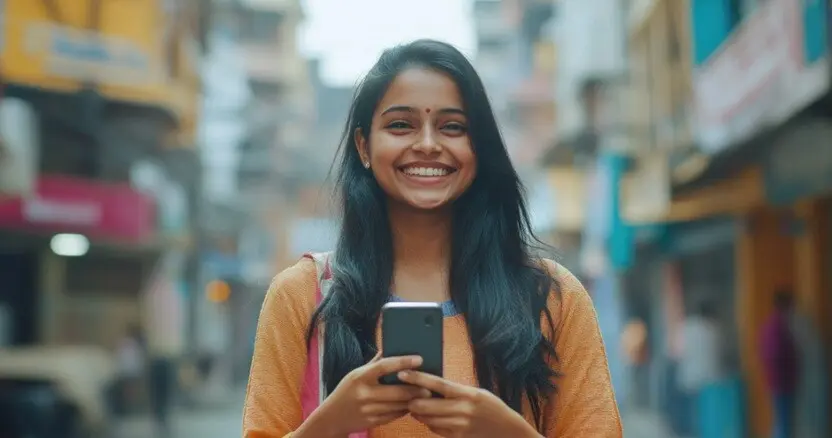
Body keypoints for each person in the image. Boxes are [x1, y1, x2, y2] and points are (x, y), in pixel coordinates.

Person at [243, 39, 622, 438]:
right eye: (400, 125)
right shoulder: (303, 296)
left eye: (452, 126)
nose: (427, 144)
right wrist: (331, 422)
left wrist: (509, 433)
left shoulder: (552, 299)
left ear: (479, 148)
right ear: (363, 146)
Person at [678, 301, 723, 437]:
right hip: (708, 379)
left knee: (694, 413)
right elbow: (718, 353)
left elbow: (681, 351)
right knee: (708, 414)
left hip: (691, 377)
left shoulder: (688, 326)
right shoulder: (713, 329)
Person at [760, 291, 799, 438]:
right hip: (781, 382)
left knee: (782, 420)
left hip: (780, 381)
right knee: (783, 421)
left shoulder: (775, 324)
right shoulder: (777, 326)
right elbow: (775, 354)